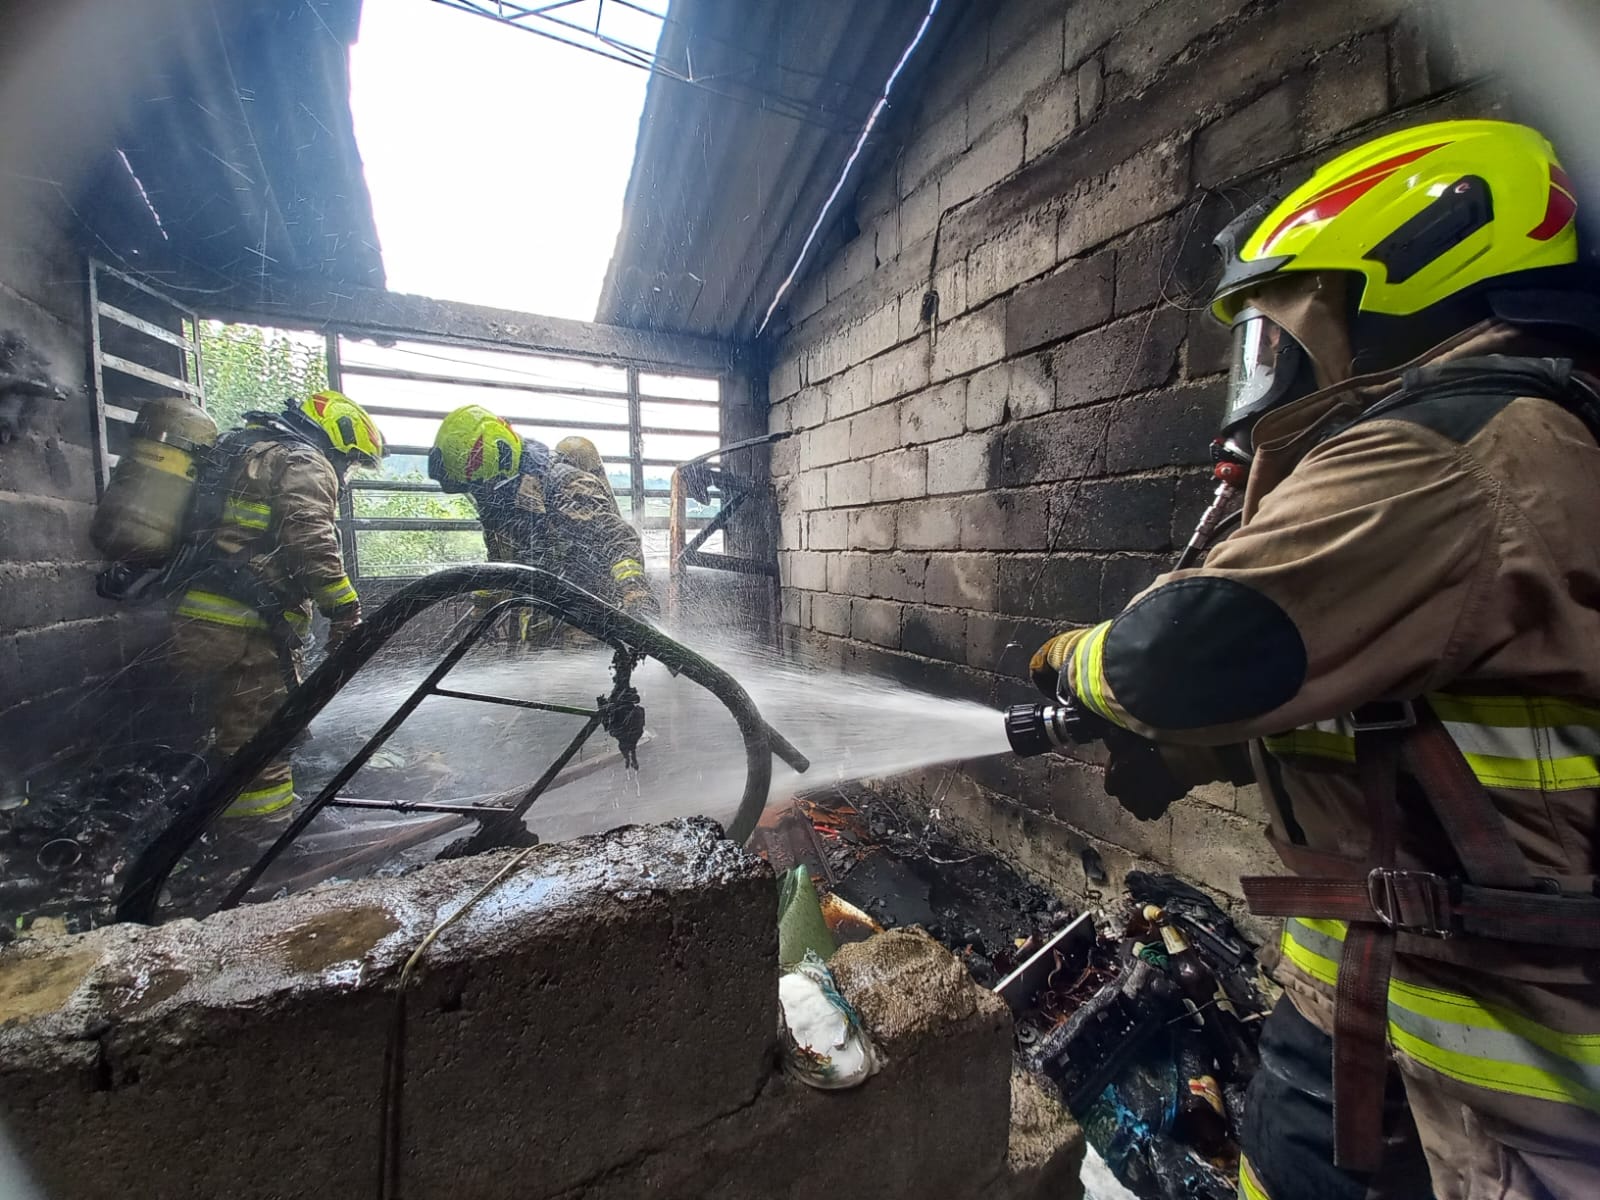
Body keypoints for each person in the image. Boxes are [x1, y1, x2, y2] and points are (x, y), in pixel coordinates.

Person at [1028, 120, 1600, 1199]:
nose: (1261, 372)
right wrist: (1233, 754)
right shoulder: (1524, 431)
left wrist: (1074, 662)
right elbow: (1453, 710)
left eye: (1272, 327)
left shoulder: (1447, 449)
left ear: (1414, 263)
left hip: (1503, 1067)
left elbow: (1173, 657)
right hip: (1373, 1013)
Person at [172, 390, 384, 825]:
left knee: (227, 728)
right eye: (352, 459)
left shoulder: (243, 450)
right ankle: (260, 837)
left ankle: (203, 822)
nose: (347, 470)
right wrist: (344, 608)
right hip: (246, 628)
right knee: (261, 739)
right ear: (338, 439)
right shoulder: (305, 462)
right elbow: (309, 539)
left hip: (203, 617)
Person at [428, 406, 657, 631]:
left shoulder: (562, 486)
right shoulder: (501, 506)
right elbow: (502, 560)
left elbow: (617, 539)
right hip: (541, 629)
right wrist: (480, 602)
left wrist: (635, 595)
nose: (479, 495)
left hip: (590, 630)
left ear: (501, 462)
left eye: (480, 486)